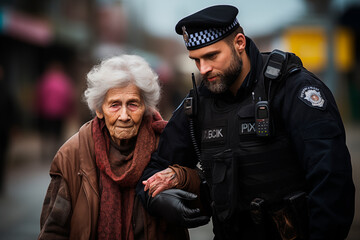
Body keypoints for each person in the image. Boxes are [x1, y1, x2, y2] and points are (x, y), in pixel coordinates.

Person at [138, 5, 355, 240]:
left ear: (239, 42)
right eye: (196, 60)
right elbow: (152, 173)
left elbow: (331, 180)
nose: (204, 69)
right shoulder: (199, 104)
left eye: (212, 56)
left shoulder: (291, 89)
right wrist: (159, 200)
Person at [38, 55, 202, 240]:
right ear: (99, 109)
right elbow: (54, 230)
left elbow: (204, 197)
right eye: (114, 105)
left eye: (133, 104)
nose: (124, 116)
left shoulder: (167, 144)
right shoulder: (72, 155)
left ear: (146, 108)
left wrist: (180, 177)